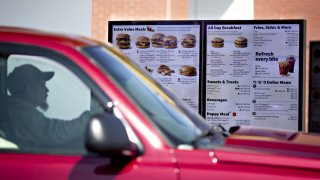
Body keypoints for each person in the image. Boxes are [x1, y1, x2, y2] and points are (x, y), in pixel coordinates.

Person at [5, 64, 91, 152]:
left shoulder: (16, 108)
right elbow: (54, 133)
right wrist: (89, 118)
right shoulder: (21, 111)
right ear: (29, 88)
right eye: (42, 84)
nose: (47, 89)